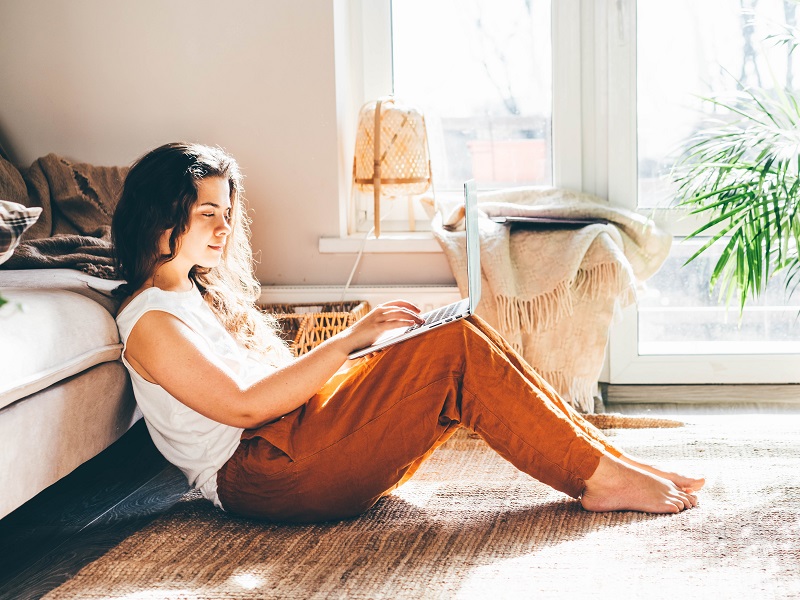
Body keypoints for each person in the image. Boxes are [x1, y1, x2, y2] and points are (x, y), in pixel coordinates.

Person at [112, 142, 704, 524]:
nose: (223, 228)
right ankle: (599, 477)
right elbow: (244, 407)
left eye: (226, 213)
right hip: (263, 474)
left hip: (290, 441)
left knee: (460, 333)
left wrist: (371, 352)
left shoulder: (190, 294)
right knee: (454, 348)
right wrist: (349, 341)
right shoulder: (152, 323)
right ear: (161, 216)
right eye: (206, 213)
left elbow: (270, 388)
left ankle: (606, 462)